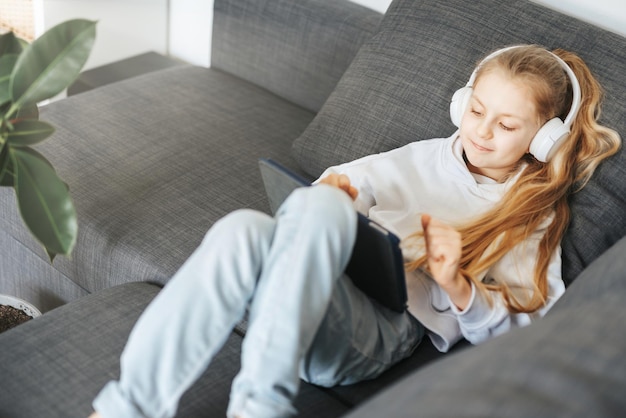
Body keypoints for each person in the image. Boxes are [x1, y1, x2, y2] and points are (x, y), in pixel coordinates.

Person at [89, 44, 620, 418]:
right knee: (243, 229)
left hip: (377, 331)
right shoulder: (428, 154)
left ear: (544, 137)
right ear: (462, 103)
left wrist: (458, 285)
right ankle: (123, 409)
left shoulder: (530, 214)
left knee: (311, 213)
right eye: (476, 110)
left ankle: (259, 405)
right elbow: (331, 192)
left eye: (505, 125)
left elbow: (538, 328)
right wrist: (345, 196)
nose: (480, 131)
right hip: (308, 293)